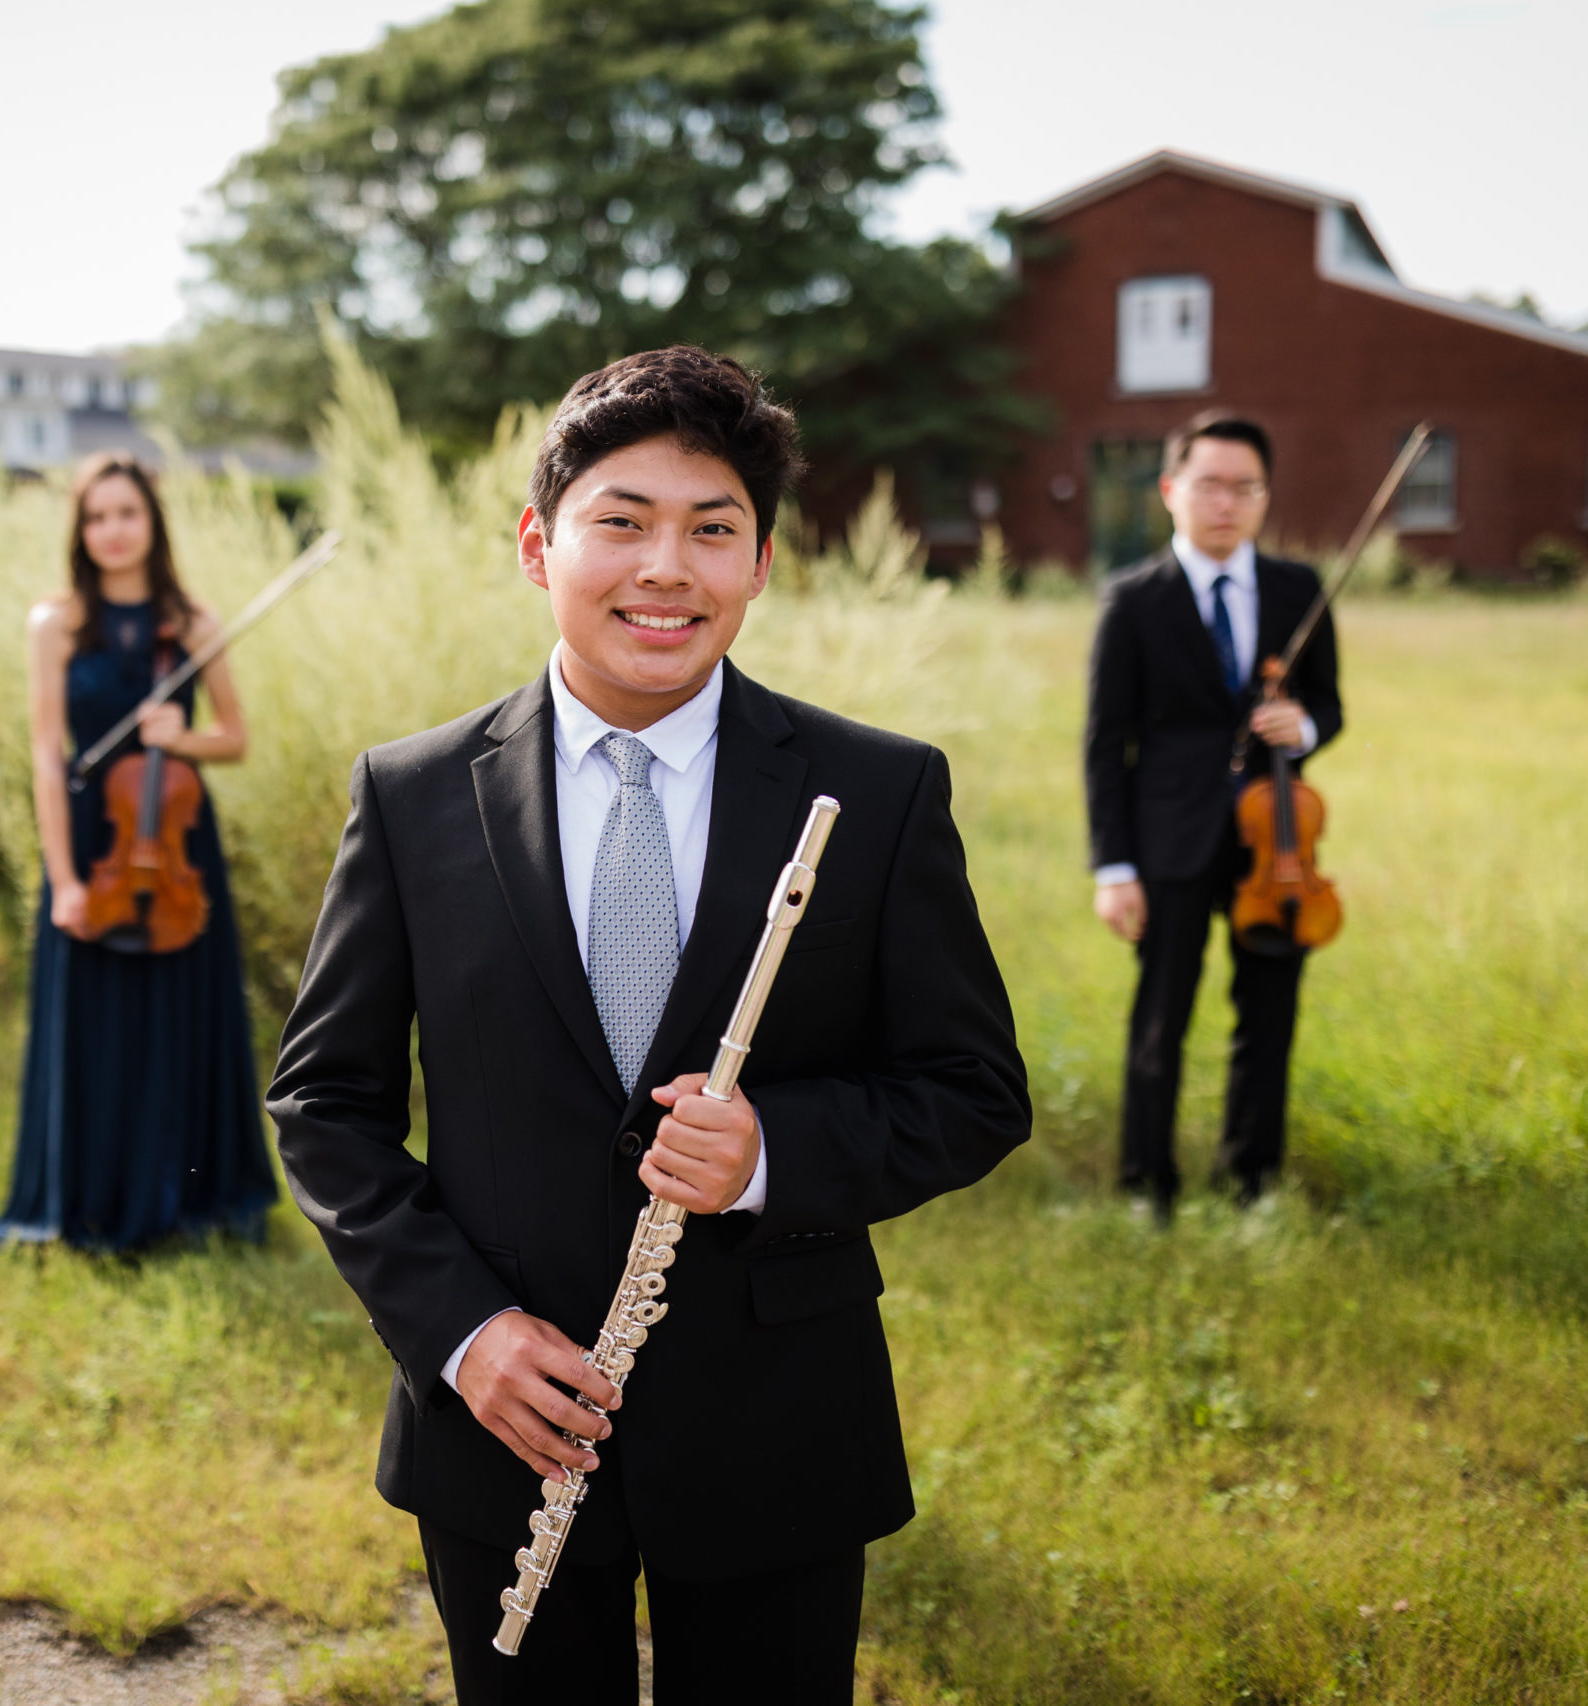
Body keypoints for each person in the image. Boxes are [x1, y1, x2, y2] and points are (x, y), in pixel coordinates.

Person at [267, 348, 1030, 1705]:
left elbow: (972, 1087)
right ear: (536, 543)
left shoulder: (879, 790)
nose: (666, 567)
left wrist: (768, 1153)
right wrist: (463, 1333)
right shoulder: (413, 793)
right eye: (621, 520)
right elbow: (324, 1105)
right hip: (503, 1418)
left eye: (712, 529)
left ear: (762, 564)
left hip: (778, 1418)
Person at [0, 454, 278, 1251]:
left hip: (175, 839)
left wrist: (183, 738)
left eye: (128, 514)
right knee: (95, 1020)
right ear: (81, 530)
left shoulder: (191, 621)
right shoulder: (56, 624)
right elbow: (49, 754)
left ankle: (189, 1198)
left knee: (180, 1014)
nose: (114, 531)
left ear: (153, 523)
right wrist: (64, 878)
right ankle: (89, 1198)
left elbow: (234, 738)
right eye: (97, 516)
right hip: (90, 839)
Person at [1085, 413, 1341, 1216]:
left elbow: (1328, 704)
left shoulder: (1300, 589)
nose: (1226, 502)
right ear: (1171, 492)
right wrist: (1114, 867)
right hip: (1170, 839)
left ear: (1264, 497)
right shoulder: (1132, 600)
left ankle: (1252, 1178)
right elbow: (1105, 742)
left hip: (1279, 842)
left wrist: (1299, 727)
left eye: (1245, 487)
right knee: (1162, 1017)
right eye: (1209, 485)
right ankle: (1145, 1182)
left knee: (1269, 1015)